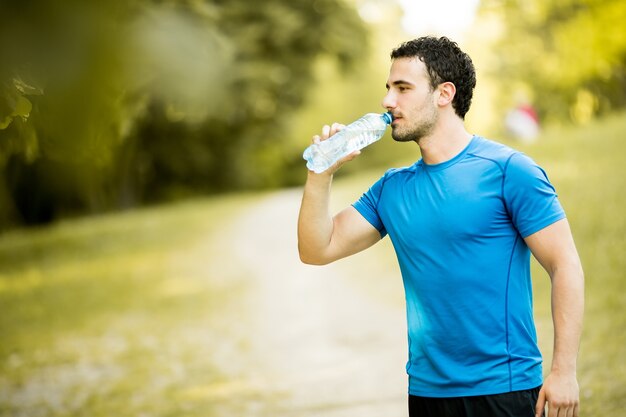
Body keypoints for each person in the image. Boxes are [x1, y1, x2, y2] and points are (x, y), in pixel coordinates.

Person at [297, 36, 584, 417]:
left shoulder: (508, 171)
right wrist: (320, 173)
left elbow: (565, 265)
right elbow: (316, 249)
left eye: (402, 88)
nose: (387, 101)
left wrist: (564, 371)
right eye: (388, 89)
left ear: (444, 93)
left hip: (504, 389)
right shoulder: (391, 188)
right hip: (427, 392)